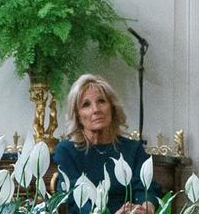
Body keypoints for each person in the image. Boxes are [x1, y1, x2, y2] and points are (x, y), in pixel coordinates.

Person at [53, 74, 158, 214]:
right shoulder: (66, 151)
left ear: (112, 107)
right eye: (86, 105)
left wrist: (145, 208)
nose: (96, 109)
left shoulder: (133, 149)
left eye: (101, 101)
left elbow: (146, 188)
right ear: (77, 115)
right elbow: (73, 201)